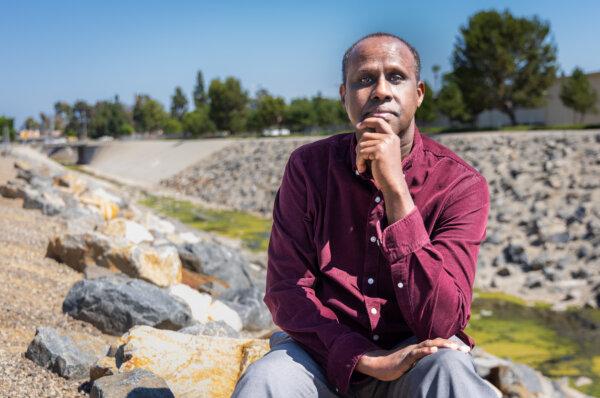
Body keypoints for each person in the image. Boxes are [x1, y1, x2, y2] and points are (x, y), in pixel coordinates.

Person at [232, 32, 497, 397]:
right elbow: (286, 291)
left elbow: (443, 320)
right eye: (365, 79)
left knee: (450, 368)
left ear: (418, 94)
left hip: (416, 358)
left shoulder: (460, 185)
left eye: (396, 77)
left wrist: (396, 191)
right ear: (345, 96)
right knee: (267, 379)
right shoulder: (308, 168)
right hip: (322, 357)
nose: (381, 91)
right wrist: (363, 358)